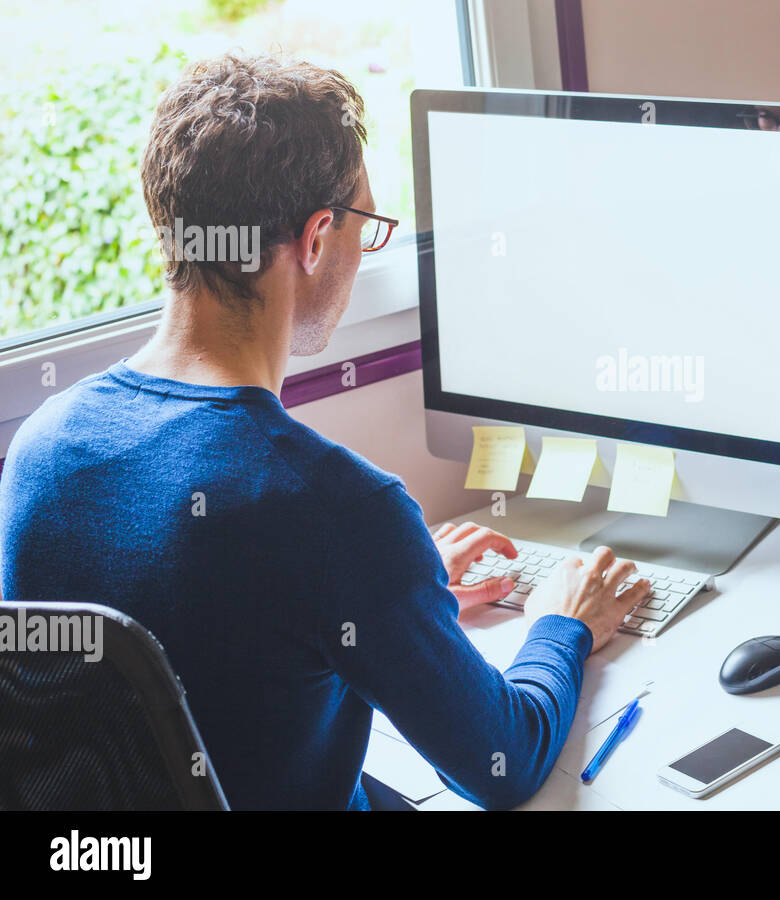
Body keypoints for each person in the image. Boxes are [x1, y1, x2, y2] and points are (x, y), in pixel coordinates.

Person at [0, 54, 651, 810]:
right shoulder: (337, 510)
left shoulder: (42, 451)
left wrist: (395, 598)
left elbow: (209, 638)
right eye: (365, 225)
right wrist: (560, 627)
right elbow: (500, 764)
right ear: (314, 241)